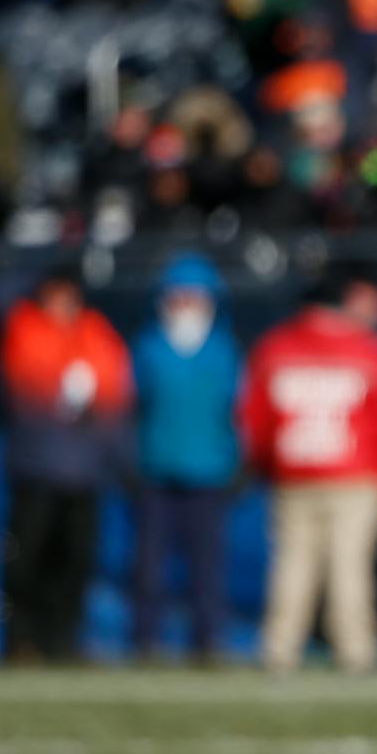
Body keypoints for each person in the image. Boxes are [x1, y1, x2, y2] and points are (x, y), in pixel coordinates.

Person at [239, 269, 377, 674]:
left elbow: (254, 420)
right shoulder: (368, 349)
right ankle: (355, 651)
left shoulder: (276, 348)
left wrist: (267, 466)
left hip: (295, 473)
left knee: (292, 566)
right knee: (349, 566)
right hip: (356, 475)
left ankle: (278, 649)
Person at [0, 267, 133, 663]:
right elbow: (27, 377)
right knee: (26, 560)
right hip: (36, 469)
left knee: (73, 561)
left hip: (82, 472)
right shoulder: (25, 327)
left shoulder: (95, 333)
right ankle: (20, 640)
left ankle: (61, 641)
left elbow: (114, 391)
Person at [130, 253, 242, 663]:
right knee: (148, 567)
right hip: (156, 471)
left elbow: (237, 411)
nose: (186, 305)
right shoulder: (148, 347)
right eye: (179, 296)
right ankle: (146, 638)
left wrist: (236, 461)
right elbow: (132, 405)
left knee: (207, 568)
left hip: (209, 473)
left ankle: (208, 639)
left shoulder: (223, 351)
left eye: (194, 297)